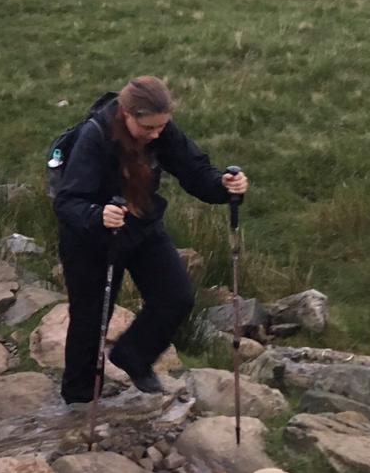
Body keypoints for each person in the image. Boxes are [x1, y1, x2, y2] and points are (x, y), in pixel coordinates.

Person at [52, 76, 248, 404]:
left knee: (177, 296)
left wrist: (224, 185)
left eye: (161, 127)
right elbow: (68, 201)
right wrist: (97, 216)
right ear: (127, 114)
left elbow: (194, 170)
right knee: (92, 317)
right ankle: (79, 395)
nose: (156, 135)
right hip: (91, 238)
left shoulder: (161, 130)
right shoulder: (95, 136)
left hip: (142, 224)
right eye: (149, 129)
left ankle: (133, 356)